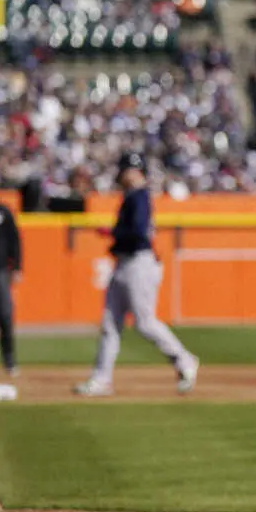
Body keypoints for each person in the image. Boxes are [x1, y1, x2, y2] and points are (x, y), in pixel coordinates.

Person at [74, 153, 200, 397]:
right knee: (110, 323)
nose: (121, 175)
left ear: (134, 171)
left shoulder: (140, 195)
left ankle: (184, 360)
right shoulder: (132, 196)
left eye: (125, 170)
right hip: (126, 263)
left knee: (145, 323)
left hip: (138, 263)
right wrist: (115, 234)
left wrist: (115, 234)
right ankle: (101, 379)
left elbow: (139, 232)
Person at [0, 199, 22, 377]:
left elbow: (15, 239)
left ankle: (9, 360)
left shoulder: (3, 211)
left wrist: (18, 267)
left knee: (5, 315)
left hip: (0, 271)